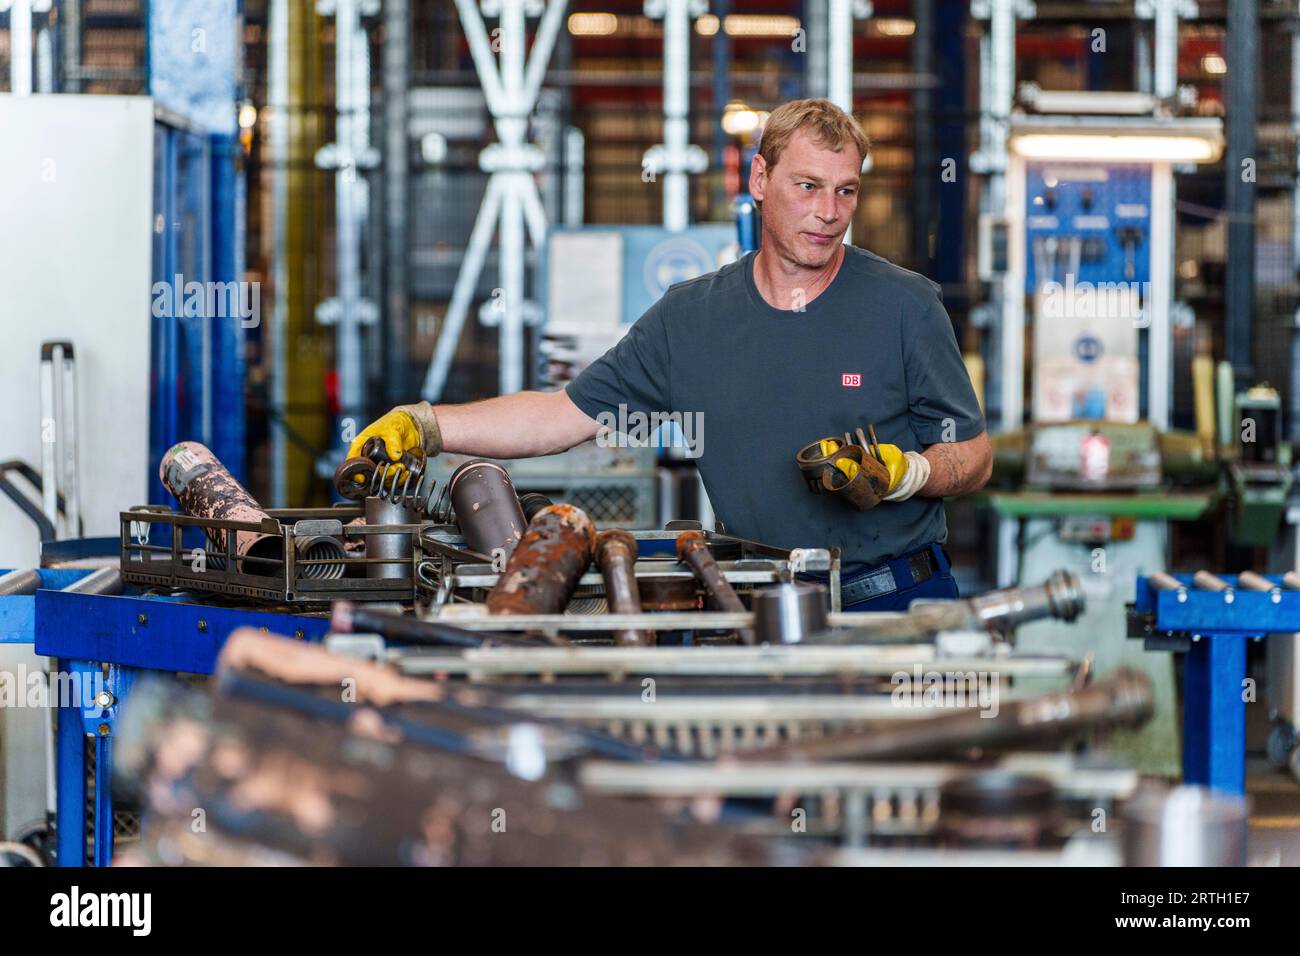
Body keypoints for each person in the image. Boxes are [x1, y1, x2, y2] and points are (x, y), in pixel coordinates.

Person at [349, 98, 991, 611]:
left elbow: (973, 454)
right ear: (760, 179)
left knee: (909, 774)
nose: (829, 213)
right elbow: (560, 416)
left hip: (898, 604)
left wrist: (905, 473)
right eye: (808, 186)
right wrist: (428, 425)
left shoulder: (906, 306)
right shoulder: (692, 318)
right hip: (761, 605)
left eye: (846, 191)